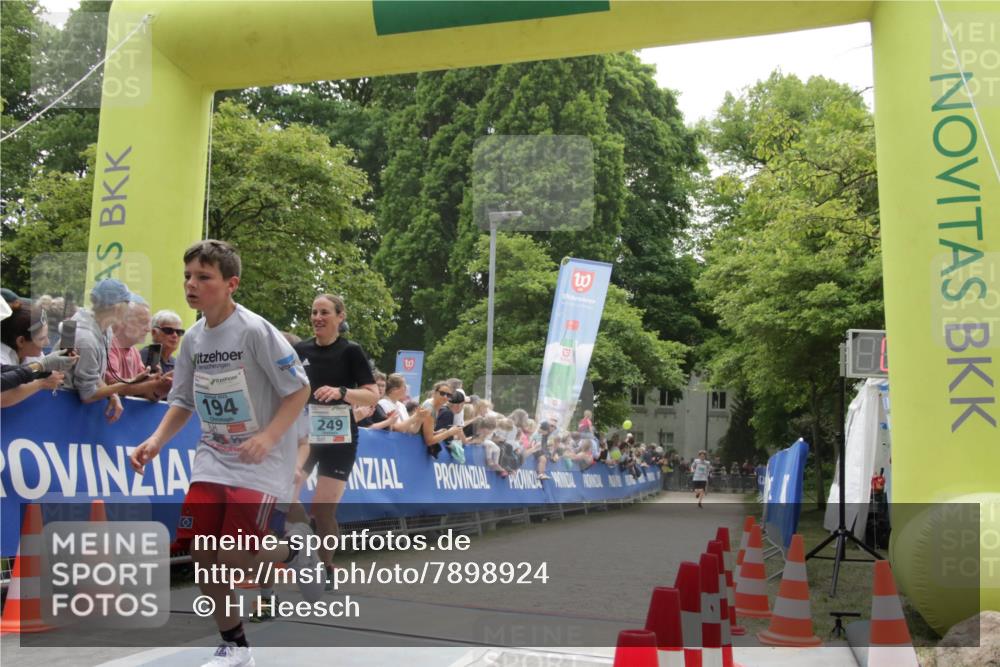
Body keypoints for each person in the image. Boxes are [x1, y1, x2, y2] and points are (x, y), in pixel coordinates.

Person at [129, 240, 319, 667]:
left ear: (231, 283)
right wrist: (156, 441)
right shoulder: (194, 339)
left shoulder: (255, 332)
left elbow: (299, 389)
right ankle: (235, 648)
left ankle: (295, 551)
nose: (191, 285)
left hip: (260, 462)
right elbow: (182, 401)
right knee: (203, 556)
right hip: (213, 457)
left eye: (204, 277)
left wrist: (269, 438)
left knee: (234, 555)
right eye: (188, 277)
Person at [294, 293, 379, 586]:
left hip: (338, 437)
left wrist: (342, 392)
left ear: (340, 317)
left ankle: (325, 566)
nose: (317, 317)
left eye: (325, 312)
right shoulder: (299, 348)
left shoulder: (351, 351)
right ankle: (300, 552)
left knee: (323, 509)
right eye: (314, 312)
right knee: (286, 496)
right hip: (304, 435)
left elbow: (372, 394)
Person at [63, 279, 152, 423]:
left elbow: (94, 374)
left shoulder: (104, 329)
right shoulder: (86, 338)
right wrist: (128, 383)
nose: (129, 309)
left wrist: (113, 395)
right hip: (63, 408)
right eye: (128, 304)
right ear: (117, 308)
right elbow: (87, 395)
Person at [106, 299, 172, 401]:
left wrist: (161, 386)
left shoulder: (134, 351)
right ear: (122, 321)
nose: (148, 329)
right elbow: (114, 387)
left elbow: (142, 393)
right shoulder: (108, 345)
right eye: (143, 322)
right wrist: (153, 384)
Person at [420, 380, 464, 457]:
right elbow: (429, 441)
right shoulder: (430, 409)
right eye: (442, 393)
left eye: (448, 395)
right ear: (434, 393)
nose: (445, 397)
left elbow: (424, 429)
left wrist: (436, 432)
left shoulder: (433, 405)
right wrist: (449, 433)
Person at [143, 309, 185, 374]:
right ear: (154, 333)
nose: (175, 335)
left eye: (179, 332)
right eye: (168, 330)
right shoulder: (142, 358)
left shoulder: (176, 363)